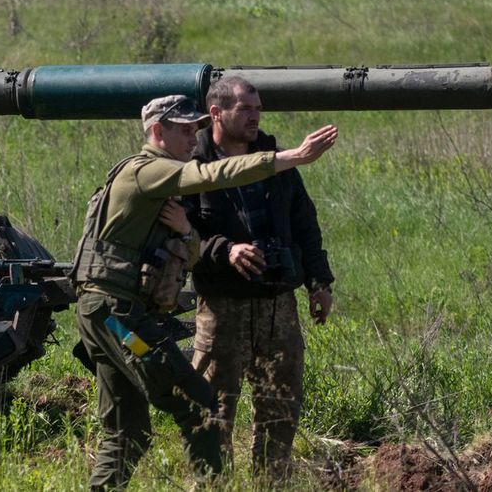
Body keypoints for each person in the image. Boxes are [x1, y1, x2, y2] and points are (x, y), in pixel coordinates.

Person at [72, 94, 337, 490]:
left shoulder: (150, 178)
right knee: (195, 398)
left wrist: (183, 230)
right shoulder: (149, 171)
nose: (193, 140)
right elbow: (214, 175)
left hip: (107, 320)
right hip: (119, 323)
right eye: (182, 131)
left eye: (196, 131)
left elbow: (190, 250)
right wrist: (289, 158)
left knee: (129, 432)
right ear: (157, 132)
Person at [183, 76, 335, 480]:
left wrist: (319, 282)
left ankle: (272, 483)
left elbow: (305, 222)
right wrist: (226, 250)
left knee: (281, 406)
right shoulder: (193, 166)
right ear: (216, 113)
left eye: (258, 109)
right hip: (222, 306)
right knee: (212, 408)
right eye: (244, 109)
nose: (255, 117)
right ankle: (212, 484)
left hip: (277, 305)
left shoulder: (276, 160)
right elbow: (183, 233)